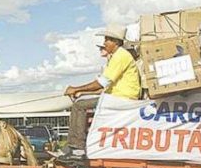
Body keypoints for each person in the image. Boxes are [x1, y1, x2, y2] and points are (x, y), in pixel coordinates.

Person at [59, 24, 141, 161]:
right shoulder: (117, 56)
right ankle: (73, 145)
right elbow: (104, 86)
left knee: (79, 106)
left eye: (106, 40)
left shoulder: (120, 56)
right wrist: (82, 93)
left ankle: (78, 148)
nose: (104, 43)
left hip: (123, 98)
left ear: (115, 42)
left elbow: (101, 83)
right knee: (80, 101)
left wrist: (76, 88)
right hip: (115, 96)